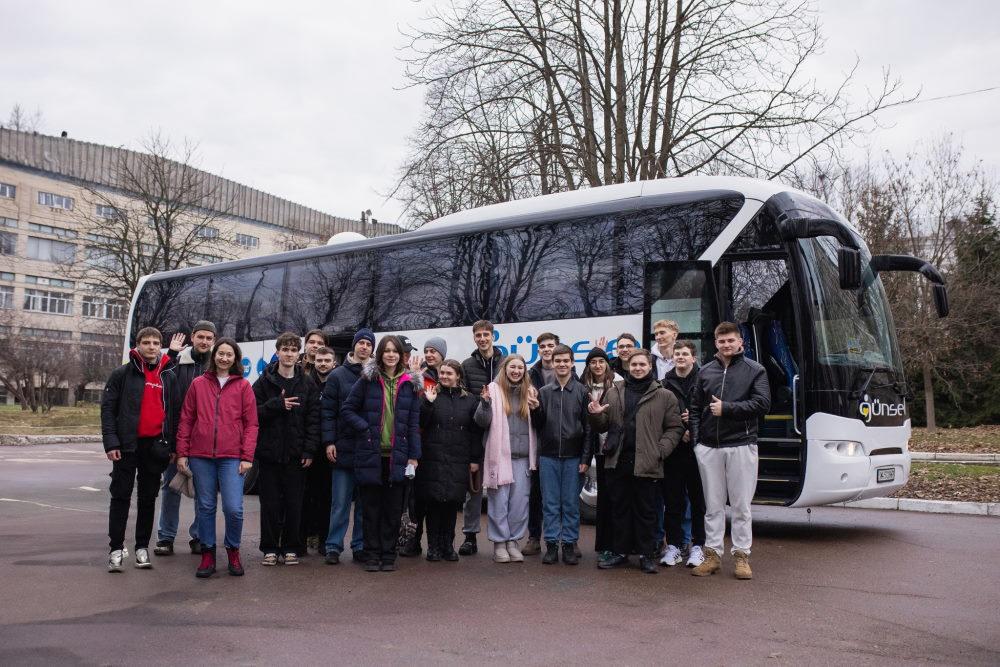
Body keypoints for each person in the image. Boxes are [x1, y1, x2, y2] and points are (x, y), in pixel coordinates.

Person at [589, 349, 684, 574]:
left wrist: (660, 451)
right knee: (619, 509)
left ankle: (646, 554)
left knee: (647, 511)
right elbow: (602, 425)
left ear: (650, 367)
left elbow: (675, 427)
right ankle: (620, 552)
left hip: (647, 461)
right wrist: (595, 414)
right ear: (628, 367)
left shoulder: (664, 395)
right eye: (634, 365)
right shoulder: (614, 392)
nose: (638, 368)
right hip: (617, 459)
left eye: (642, 364)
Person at [689, 322, 770, 580]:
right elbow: (694, 409)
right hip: (709, 447)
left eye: (731, 341)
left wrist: (728, 409)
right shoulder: (705, 372)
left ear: (740, 343)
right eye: (722, 341)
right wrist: (697, 444)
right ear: (716, 343)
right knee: (712, 506)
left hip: (741, 444)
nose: (726, 345)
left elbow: (762, 404)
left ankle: (741, 557)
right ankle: (712, 555)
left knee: (741, 506)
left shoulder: (755, 370)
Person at [101, 327, 183, 572]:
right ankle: (116, 549)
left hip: (155, 447)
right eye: (146, 342)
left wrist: (172, 445)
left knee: (148, 499)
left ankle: (141, 548)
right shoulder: (121, 374)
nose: (151, 346)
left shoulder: (168, 375)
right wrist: (111, 442)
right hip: (126, 446)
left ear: (161, 346)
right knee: (121, 497)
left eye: (155, 343)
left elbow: (175, 414)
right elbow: (107, 411)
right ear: (137, 346)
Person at [176, 338, 258, 578]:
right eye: (220, 353)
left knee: (233, 508)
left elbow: (251, 425)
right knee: (206, 507)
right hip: (200, 456)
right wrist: (182, 453)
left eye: (229, 355)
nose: (224, 358)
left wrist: (247, 456)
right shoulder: (198, 384)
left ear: (235, 359)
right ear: (214, 356)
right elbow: (186, 419)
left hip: (232, 457)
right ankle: (208, 553)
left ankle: (233, 550)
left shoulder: (243, 386)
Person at [340, 335, 422, 572]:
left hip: (399, 456)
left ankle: (388, 555)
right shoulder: (367, 379)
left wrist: (414, 455)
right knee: (371, 508)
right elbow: (348, 409)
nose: (390, 355)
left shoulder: (410, 383)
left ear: (400, 355)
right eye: (386, 351)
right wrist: (365, 427)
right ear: (380, 354)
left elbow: (414, 423)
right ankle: (372, 554)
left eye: (394, 351)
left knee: (393, 509)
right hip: (370, 454)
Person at [252, 333, 320, 566]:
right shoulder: (264, 381)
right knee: (269, 503)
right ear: (278, 351)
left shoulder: (306, 383)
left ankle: (291, 547)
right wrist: (277, 405)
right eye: (285, 349)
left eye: (293, 350)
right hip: (269, 453)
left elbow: (313, 419)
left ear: (298, 353)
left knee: (294, 503)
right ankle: (270, 548)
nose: (289, 354)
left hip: (296, 454)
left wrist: (309, 451)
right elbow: (252, 413)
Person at [155, 320, 216, 557]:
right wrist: (170, 441)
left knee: (204, 491)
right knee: (171, 487)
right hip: (176, 437)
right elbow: (163, 393)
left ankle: (198, 536)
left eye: (209, 338)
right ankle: (166, 537)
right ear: (192, 337)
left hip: (204, 441)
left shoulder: (217, 365)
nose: (204, 342)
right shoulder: (178, 362)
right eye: (201, 337)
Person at [530, 344, 592, 565]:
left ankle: (568, 544)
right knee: (550, 504)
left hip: (574, 456)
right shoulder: (544, 392)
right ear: (552, 363)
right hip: (548, 456)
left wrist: (585, 459)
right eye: (558, 361)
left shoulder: (582, 391)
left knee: (571, 504)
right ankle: (551, 544)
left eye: (566, 360)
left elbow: (588, 428)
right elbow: (538, 426)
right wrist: (535, 409)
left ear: (573, 362)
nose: (562, 364)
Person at [417, 360, 483, 561]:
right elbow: (420, 422)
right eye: (442, 373)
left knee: (452, 505)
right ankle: (434, 547)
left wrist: (474, 459)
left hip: (458, 459)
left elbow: (475, 433)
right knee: (434, 504)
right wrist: (427, 403)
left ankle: (448, 545)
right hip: (433, 459)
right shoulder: (431, 395)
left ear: (458, 376)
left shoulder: (470, 400)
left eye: (449, 373)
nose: (444, 376)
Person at [475, 354, 538, 563]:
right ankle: (500, 544)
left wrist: (537, 407)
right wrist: (484, 404)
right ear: (505, 368)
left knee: (519, 504)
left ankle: (513, 541)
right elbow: (481, 422)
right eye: (513, 367)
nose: (516, 371)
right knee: (498, 503)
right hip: (500, 458)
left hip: (522, 458)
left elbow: (538, 423)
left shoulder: (530, 392)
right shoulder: (492, 390)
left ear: (524, 371)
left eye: (520, 368)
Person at [321, 329, 374, 565]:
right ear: (354, 346)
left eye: (368, 344)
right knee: (340, 502)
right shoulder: (337, 375)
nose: (364, 347)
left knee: (364, 503)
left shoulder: (376, 375)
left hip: (367, 448)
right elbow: (328, 413)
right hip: (342, 446)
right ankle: (333, 546)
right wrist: (329, 441)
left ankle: (360, 545)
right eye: (360, 343)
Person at [458, 320, 507, 556]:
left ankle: (505, 538)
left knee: (503, 485)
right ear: (474, 338)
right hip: (476, 431)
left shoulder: (505, 363)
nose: (482, 338)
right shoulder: (467, 365)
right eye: (478, 335)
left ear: (493, 336)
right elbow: (465, 396)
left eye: (486, 334)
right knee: (473, 488)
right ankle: (470, 536)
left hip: (502, 431)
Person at [400, 336, 449, 558]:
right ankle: (413, 540)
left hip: (441, 445)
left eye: (434, 351)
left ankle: (437, 544)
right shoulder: (419, 377)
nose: (430, 354)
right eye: (427, 351)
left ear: (442, 354)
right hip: (420, 442)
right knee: (416, 497)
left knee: (436, 497)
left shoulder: (449, 376)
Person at [659, 340, 707, 568]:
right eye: (677, 353)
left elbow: (711, 410)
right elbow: (661, 415)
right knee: (673, 501)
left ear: (693, 358)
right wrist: (680, 428)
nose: (680, 357)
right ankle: (675, 546)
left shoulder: (705, 379)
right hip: (675, 450)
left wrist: (694, 426)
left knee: (699, 501)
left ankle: (698, 546)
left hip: (700, 450)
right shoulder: (665, 382)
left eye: (685, 353)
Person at [580, 347, 620, 561]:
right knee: (604, 502)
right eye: (593, 362)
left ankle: (619, 545)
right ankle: (605, 546)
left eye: (601, 361)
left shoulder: (618, 384)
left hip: (615, 449)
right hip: (597, 450)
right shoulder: (583, 386)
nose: (597, 365)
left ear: (607, 364)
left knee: (617, 499)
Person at [523, 331, 559, 556]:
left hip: (561, 439)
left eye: (550, 345)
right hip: (537, 438)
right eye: (543, 346)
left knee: (560, 496)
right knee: (535, 492)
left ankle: (564, 540)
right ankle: (534, 537)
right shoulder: (530, 373)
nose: (547, 349)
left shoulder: (569, 372)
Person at [301, 345, 337, 555]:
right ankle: (303, 540)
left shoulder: (338, 380)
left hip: (330, 449)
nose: (323, 364)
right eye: (319, 360)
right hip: (310, 449)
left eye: (327, 361)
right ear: (314, 361)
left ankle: (325, 541)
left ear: (333, 363)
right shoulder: (306, 382)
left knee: (327, 498)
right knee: (306, 497)